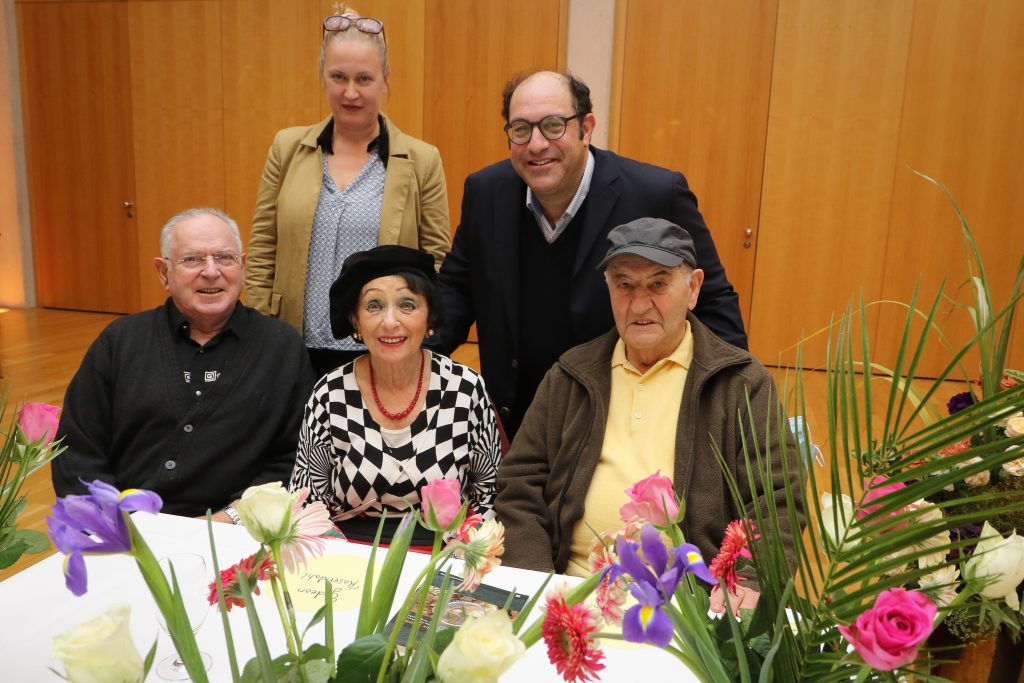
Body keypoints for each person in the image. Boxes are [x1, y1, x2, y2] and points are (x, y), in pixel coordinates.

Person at [496, 218, 802, 614]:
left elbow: (777, 501)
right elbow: (520, 484)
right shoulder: (572, 374)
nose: (639, 305)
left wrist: (748, 582)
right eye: (624, 284)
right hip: (571, 591)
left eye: (658, 284)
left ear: (692, 288)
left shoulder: (739, 383)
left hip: (690, 606)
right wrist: (536, 583)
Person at [435, 70, 747, 438]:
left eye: (553, 125)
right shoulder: (486, 192)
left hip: (621, 422)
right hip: (515, 422)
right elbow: (455, 292)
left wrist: (725, 405)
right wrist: (402, 358)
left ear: (587, 127)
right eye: (520, 129)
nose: (536, 144)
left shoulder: (656, 193)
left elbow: (714, 305)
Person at [52, 208, 315, 521]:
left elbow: (295, 459)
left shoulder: (281, 346)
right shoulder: (120, 341)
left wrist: (231, 517)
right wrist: (117, 526)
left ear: (243, 267)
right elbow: (77, 450)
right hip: (125, 530)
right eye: (192, 259)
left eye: (224, 258)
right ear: (164, 273)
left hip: (234, 535)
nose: (211, 271)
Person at [245, 5, 450, 377]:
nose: (350, 92)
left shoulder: (422, 160)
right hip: (290, 345)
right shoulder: (286, 148)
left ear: (386, 79)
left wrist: (414, 329)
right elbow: (263, 247)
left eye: (364, 79)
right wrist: (260, 328)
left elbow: (436, 260)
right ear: (322, 76)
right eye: (338, 76)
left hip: (380, 348)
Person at [290, 245, 501, 545]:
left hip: (443, 555)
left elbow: (488, 496)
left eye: (407, 305)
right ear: (356, 322)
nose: (390, 321)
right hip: (348, 551)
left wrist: (460, 554)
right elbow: (305, 502)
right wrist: (339, 563)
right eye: (374, 306)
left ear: (430, 319)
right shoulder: (330, 394)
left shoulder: (465, 389)